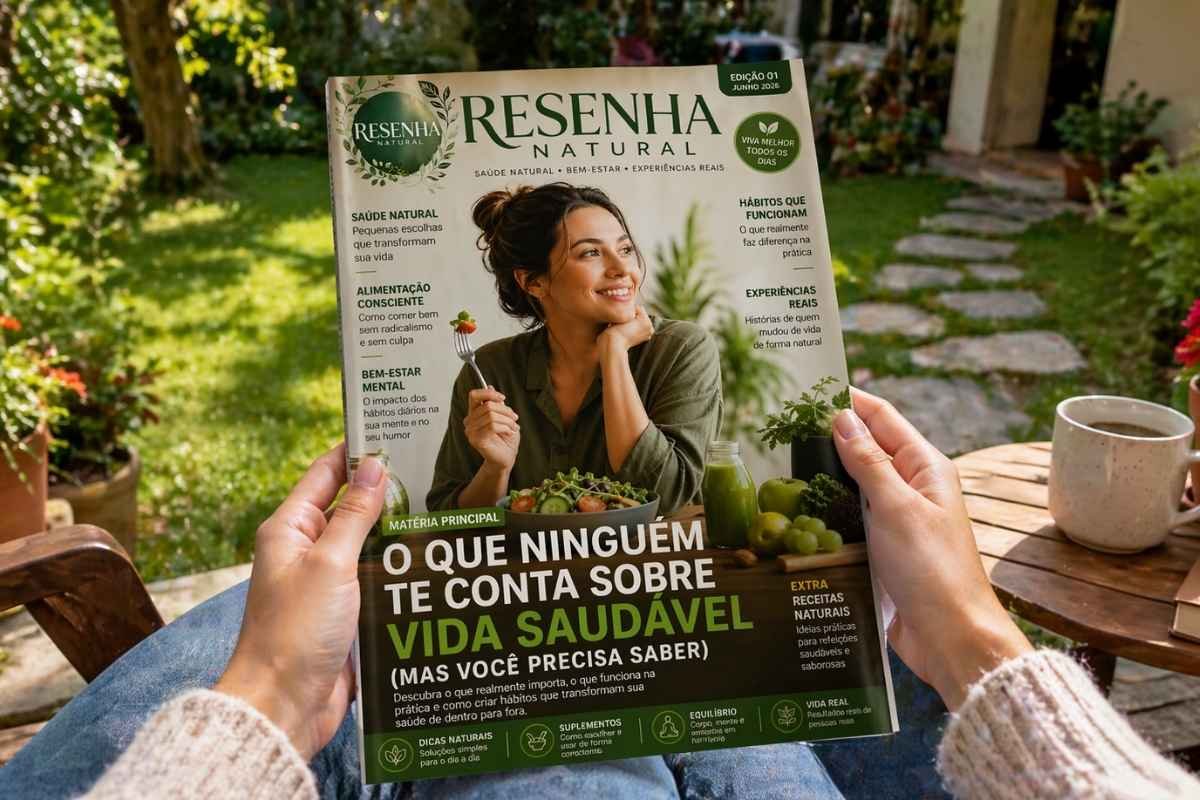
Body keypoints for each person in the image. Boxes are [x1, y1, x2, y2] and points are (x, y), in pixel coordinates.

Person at [3, 392, 1197, 798]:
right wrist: (977, 641)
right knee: (745, 645)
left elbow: (665, 469)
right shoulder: (507, 378)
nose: (616, 266)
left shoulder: (660, 362)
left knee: (489, 672)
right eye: (587, 250)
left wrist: (263, 693)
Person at [426, 183, 722, 515]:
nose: (622, 269)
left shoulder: (681, 350)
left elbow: (665, 496)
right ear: (533, 282)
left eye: (624, 250)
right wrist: (495, 469)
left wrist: (614, 352)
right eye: (590, 253)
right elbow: (450, 519)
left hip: (650, 565)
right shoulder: (490, 371)